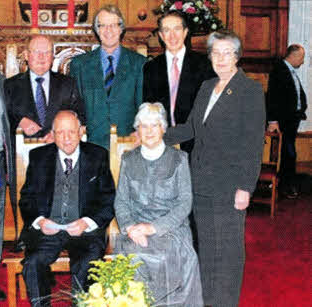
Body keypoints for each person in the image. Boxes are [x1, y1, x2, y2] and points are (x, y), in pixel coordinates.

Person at [163, 30, 266, 307]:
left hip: (230, 185)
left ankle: (225, 302)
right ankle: (208, 300)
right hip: (200, 182)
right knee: (207, 248)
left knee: (228, 251)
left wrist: (246, 187)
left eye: (227, 53)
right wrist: (157, 135)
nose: (220, 59)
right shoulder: (207, 86)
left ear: (237, 56)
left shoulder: (250, 90)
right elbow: (192, 128)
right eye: (215, 53)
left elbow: (254, 142)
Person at [19, 110, 115, 307]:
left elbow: (108, 199)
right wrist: (40, 221)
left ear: (81, 132)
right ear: (53, 135)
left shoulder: (98, 156)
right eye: (60, 133)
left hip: (85, 233)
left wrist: (87, 222)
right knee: (32, 264)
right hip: (49, 231)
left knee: (87, 264)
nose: (66, 138)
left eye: (71, 132)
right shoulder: (38, 157)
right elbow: (26, 198)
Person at [114, 103, 203, 306]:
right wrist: (130, 228)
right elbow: (121, 202)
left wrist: (154, 227)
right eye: (144, 126)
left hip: (171, 229)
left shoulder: (179, 159)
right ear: (138, 130)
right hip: (135, 227)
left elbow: (184, 203)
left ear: (163, 128)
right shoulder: (128, 159)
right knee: (133, 255)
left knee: (165, 256)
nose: (149, 131)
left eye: (155, 125)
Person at [70, 4, 146, 149]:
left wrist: (140, 130)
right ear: (97, 30)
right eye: (103, 25)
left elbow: (143, 104)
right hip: (91, 144)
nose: (108, 30)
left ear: (121, 28)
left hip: (129, 143)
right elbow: (74, 106)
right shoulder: (79, 65)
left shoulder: (139, 64)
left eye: (113, 25)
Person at [143, 10, 215, 152]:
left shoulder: (204, 65)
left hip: (197, 144)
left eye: (177, 29)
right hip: (162, 144)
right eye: (167, 30)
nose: (172, 36)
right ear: (161, 36)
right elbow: (148, 107)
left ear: (185, 32)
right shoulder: (151, 67)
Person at [4, 35, 86, 142]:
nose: (41, 57)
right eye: (36, 52)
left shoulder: (68, 84)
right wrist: (19, 121)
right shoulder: (10, 85)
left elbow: (81, 116)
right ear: (26, 55)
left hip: (58, 148)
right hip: (23, 152)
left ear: (52, 57)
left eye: (47, 52)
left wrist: (59, 132)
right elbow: (3, 117)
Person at [266, 44, 307, 199]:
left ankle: (286, 184)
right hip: (283, 120)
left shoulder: (289, 71)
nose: (302, 62)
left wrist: (300, 110)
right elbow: (272, 98)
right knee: (288, 153)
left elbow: (296, 95)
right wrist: (273, 120)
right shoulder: (279, 71)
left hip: (292, 119)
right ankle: (286, 185)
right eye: (301, 58)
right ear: (294, 55)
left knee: (289, 153)